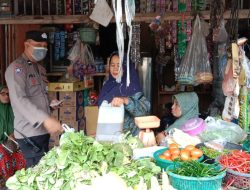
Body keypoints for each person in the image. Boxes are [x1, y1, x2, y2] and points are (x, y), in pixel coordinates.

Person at [5, 30, 63, 168]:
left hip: (42, 132)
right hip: (28, 134)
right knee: (35, 175)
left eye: (44, 46)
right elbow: (19, 100)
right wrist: (45, 119)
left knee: (43, 171)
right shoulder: (17, 69)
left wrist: (50, 104)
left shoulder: (40, 69)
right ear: (27, 45)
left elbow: (39, 95)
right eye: (38, 45)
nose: (42, 49)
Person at [98, 52, 150, 135]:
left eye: (119, 65)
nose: (115, 69)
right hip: (110, 135)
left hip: (131, 138)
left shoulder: (132, 87)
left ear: (125, 67)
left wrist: (126, 100)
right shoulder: (107, 86)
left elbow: (145, 111)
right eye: (112, 65)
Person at [0, 84, 26, 187]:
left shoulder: (13, 108)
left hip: (11, 140)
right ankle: (7, 182)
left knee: (22, 154)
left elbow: (21, 123)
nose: (6, 96)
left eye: (8, 94)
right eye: (3, 93)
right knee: (3, 156)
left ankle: (19, 180)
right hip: (1, 143)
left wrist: (13, 133)